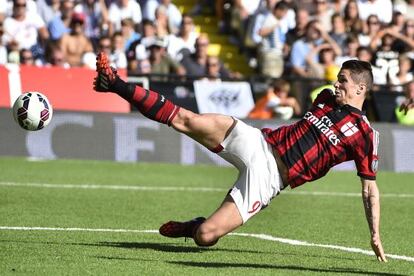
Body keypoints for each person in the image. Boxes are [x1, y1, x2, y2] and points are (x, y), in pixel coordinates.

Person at [93, 53, 387, 262]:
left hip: (270, 178)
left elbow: (370, 188)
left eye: (343, 81)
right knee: (186, 120)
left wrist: (374, 234)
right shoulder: (324, 98)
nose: (336, 84)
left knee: (206, 236)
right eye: (337, 79)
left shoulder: (365, 136)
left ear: (361, 88)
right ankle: (115, 84)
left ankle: (193, 225)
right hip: (257, 142)